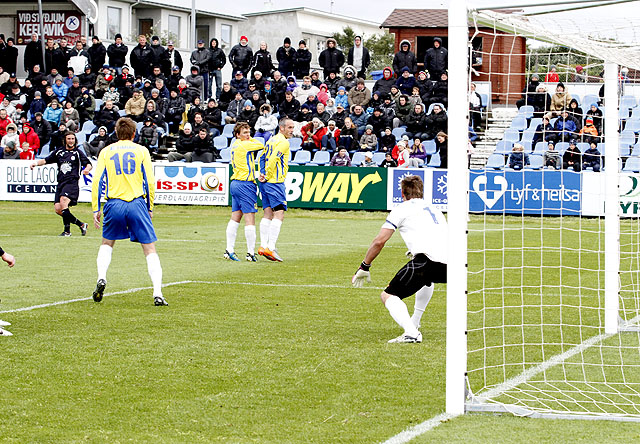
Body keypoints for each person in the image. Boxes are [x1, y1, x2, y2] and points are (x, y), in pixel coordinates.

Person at [352, 175, 447, 343]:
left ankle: (411, 333)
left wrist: (364, 266)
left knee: (388, 296)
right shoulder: (435, 209)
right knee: (427, 279)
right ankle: (415, 323)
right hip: (453, 262)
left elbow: (379, 241)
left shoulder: (401, 208)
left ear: (402, 193)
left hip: (428, 261)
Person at [90, 117, 167, 306]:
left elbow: (97, 180)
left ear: (116, 133)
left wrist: (95, 208)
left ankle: (102, 277)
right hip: (136, 202)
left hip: (113, 203)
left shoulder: (106, 151)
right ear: (134, 134)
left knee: (107, 242)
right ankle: (157, 292)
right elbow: (150, 181)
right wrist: (150, 207)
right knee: (149, 248)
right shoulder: (141, 150)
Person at [30, 132, 91, 236]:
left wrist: (87, 170)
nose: (71, 141)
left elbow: (88, 164)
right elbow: (46, 160)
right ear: (65, 140)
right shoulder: (59, 152)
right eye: (69, 139)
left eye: (73, 139)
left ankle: (67, 232)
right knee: (58, 209)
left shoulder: (78, 153)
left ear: (75, 140)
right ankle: (81, 225)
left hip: (71, 183)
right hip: (61, 183)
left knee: (63, 202)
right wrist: (35, 163)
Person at [223, 122, 265, 262]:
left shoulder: (235, 144)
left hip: (235, 183)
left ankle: (229, 250)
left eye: (249, 132)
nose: (248, 135)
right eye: (245, 133)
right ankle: (250, 253)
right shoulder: (245, 145)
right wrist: (251, 139)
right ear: (237, 135)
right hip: (246, 184)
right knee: (250, 219)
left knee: (235, 217)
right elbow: (261, 145)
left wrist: (248, 137)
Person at [257, 118, 294, 262]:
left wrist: (261, 173)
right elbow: (272, 159)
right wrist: (266, 174)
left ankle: (262, 245)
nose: (291, 130)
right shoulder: (283, 142)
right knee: (279, 215)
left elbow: (261, 157)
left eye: (292, 127)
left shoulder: (271, 140)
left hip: (266, 183)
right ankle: (270, 248)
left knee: (267, 214)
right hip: (275, 182)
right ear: (282, 128)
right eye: (289, 127)